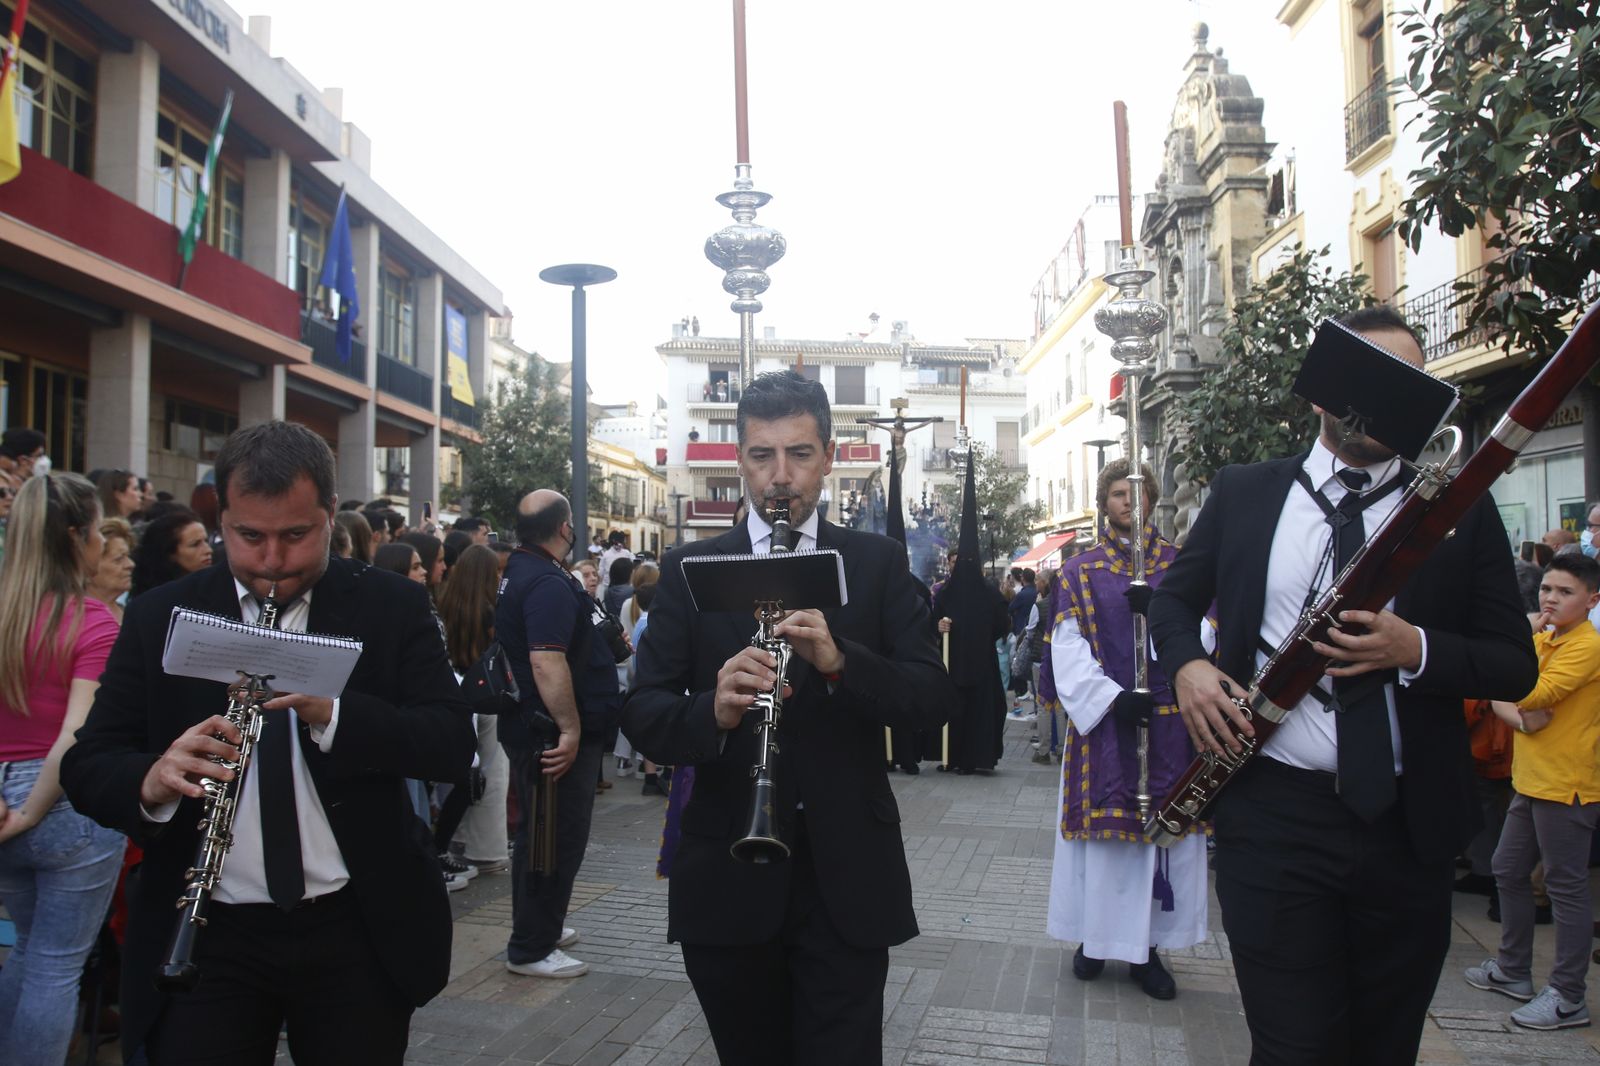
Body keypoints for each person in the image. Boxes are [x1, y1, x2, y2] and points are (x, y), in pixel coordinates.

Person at [1147, 306, 1538, 1065]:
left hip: (1409, 825)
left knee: (1384, 1046)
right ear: (1325, 386)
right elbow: (1171, 600)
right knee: (1293, 1045)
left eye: (1409, 384)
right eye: (1369, 374)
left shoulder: (1456, 509)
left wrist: (1414, 647)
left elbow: (1512, 662)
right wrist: (1188, 667)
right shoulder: (1247, 491)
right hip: (1275, 817)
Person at [60, 420, 476, 1065]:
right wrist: (152, 778)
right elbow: (88, 764)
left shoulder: (390, 606)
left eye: (296, 535)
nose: (273, 562)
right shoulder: (159, 613)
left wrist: (335, 715)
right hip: (206, 931)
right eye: (248, 537)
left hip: (355, 925)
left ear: (330, 515)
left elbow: (451, 743)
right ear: (221, 518)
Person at [621, 370, 957, 1064]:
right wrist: (710, 711)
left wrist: (840, 662)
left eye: (800, 454)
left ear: (829, 456)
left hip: (847, 883)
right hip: (728, 880)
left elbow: (931, 700)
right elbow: (644, 714)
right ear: (740, 459)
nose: (781, 476)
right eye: (762, 455)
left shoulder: (876, 562)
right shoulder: (688, 567)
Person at [1042, 460, 1205, 1000]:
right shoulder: (1079, 571)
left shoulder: (1181, 567)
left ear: (1153, 498)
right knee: (1105, 848)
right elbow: (1067, 649)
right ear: (1103, 500)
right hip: (1105, 728)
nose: (1128, 504)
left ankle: (1148, 949)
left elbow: (1200, 638)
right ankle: (1095, 939)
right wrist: (1112, 701)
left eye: (1137, 493)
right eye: (1118, 494)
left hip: (1167, 727)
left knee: (1156, 843)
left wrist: (1160, 611)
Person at [0, 473, 125, 1066]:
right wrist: (33, 808)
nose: (103, 543)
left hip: (7, 796)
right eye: (100, 531)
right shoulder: (93, 620)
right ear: (77, 537)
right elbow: (74, 734)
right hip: (63, 802)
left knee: (27, 951)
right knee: (55, 966)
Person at [1464, 552, 1600, 1029]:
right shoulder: (1546, 638)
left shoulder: (1586, 646)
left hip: (1569, 785)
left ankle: (1567, 996)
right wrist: (1515, 708)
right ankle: (1512, 969)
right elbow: (1520, 698)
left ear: (1592, 600)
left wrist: (1511, 699)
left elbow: (1531, 693)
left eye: (1565, 592)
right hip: (1532, 777)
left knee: (1566, 887)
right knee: (1507, 868)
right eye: (1547, 589)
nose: (1551, 599)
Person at [496, 490, 604, 980]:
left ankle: (542, 926)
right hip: (548, 737)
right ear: (564, 528)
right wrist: (571, 727)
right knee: (552, 839)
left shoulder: (522, 571)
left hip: (532, 731)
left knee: (541, 835)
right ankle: (532, 946)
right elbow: (546, 660)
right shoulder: (545, 582)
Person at [438, 544, 511, 876]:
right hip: (488, 697)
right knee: (492, 775)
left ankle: (457, 840)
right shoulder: (490, 611)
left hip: (455, 692)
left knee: (463, 774)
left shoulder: (444, 604)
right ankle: (488, 849)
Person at [935, 553, 1010, 775]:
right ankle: (953, 757)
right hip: (953, 663)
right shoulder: (946, 593)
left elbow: (1001, 624)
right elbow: (934, 620)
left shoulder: (989, 592)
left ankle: (979, 756)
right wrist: (939, 626)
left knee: (981, 710)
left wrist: (983, 637)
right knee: (955, 710)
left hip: (982, 664)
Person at [131, 508, 214, 597]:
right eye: (195, 545)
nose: (208, 550)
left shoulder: (218, 587)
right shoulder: (153, 600)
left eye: (206, 541)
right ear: (170, 554)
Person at [89, 516, 137, 624]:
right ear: (91, 562)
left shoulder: (130, 613)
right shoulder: (75, 617)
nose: (131, 564)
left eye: (128, 556)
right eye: (119, 559)